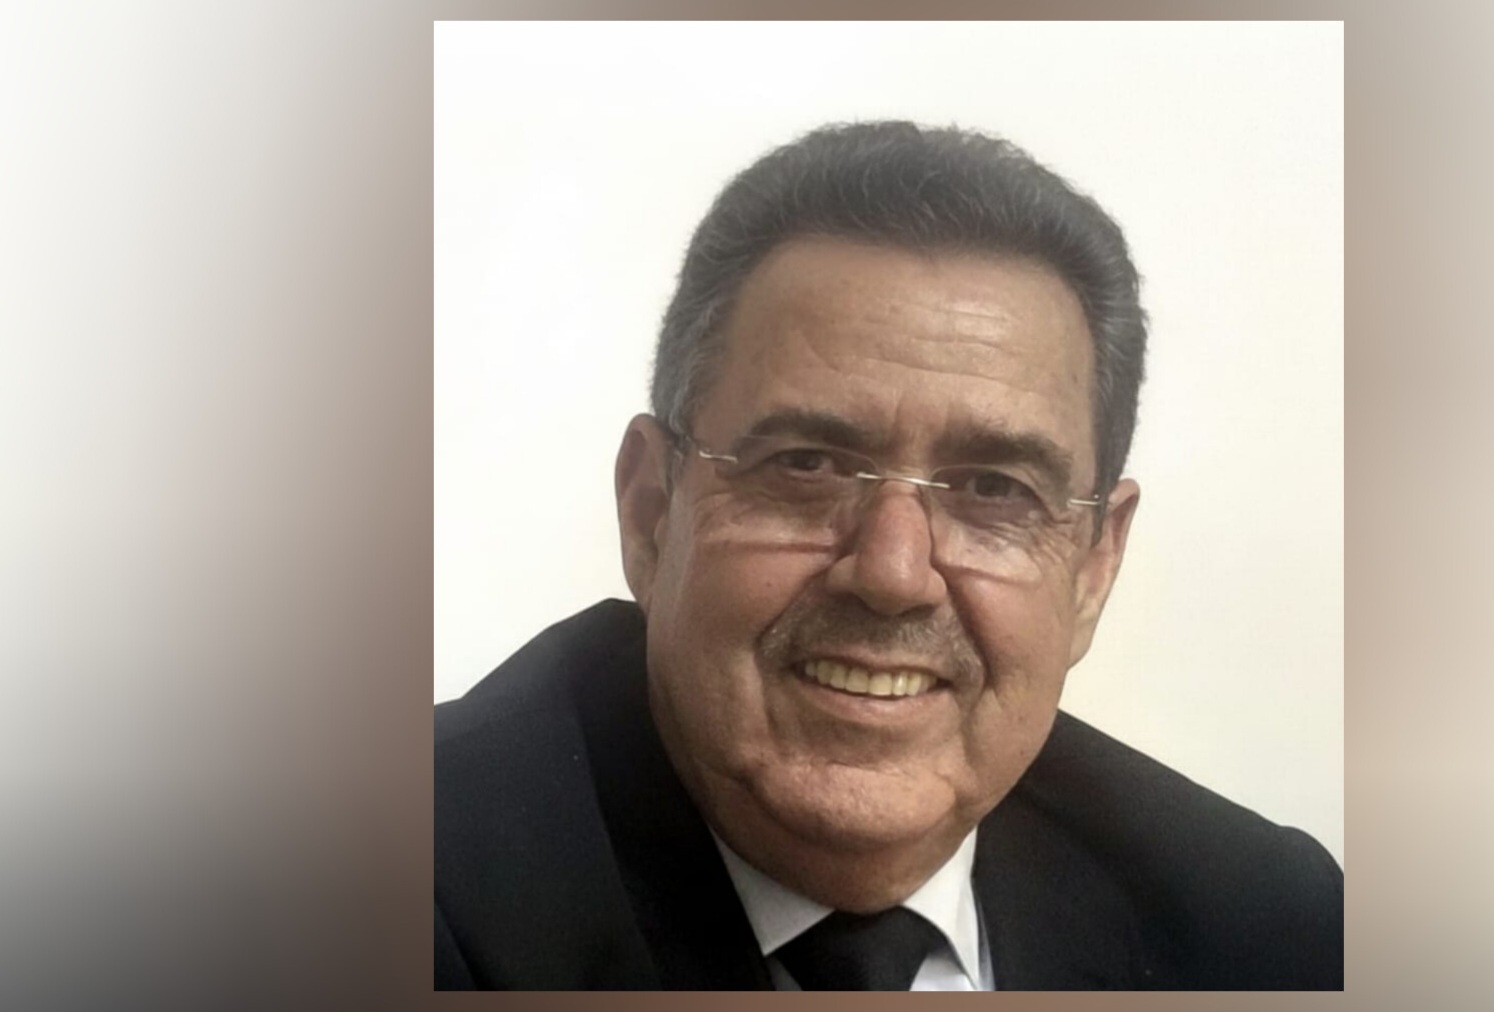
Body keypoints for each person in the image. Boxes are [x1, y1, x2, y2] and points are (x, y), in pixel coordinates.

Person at [434, 121, 1342, 990]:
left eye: (993, 488)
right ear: (651, 513)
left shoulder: (1268, 930)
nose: (893, 573)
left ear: (1092, 569)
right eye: (807, 465)